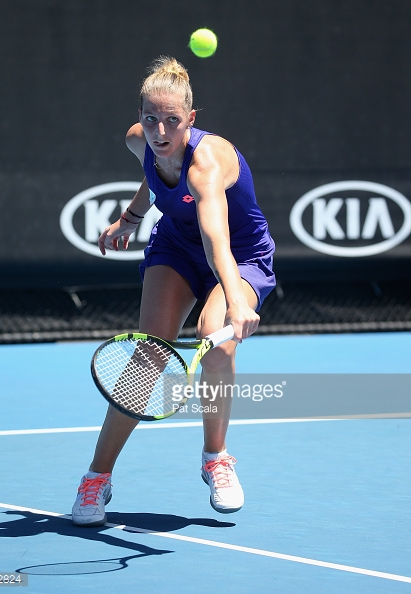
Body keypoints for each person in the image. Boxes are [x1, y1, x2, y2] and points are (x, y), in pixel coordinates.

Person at [72, 56, 275, 526]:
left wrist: (238, 299)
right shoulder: (139, 139)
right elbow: (155, 169)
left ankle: (215, 458)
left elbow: (216, 240)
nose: (160, 130)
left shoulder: (207, 165)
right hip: (176, 248)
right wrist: (131, 217)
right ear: (140, 115)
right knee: (147, 360)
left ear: (192, 119)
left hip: (238, 253)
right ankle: (95, 478)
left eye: (172, 121)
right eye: (151, 118)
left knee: (215, 336)